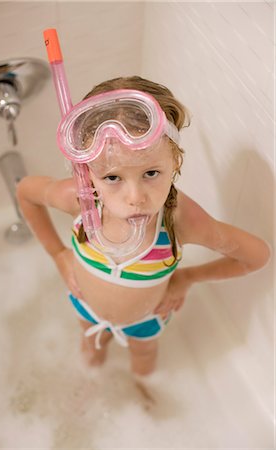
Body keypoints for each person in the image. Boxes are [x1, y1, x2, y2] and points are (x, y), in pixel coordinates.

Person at [17, 76, 271, 376]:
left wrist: (186, 278)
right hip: (86, 307)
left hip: (145, 320)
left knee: (144, 362)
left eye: (151, 172)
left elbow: (256, 255)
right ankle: (91, 380)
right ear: (87, 173)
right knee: (90, 352)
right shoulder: (79, 199)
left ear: (175, 161)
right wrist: (58, 255)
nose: (136, 198)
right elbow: (25, 192)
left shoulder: (178, 218)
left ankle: (141, 391)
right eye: (112, 178)